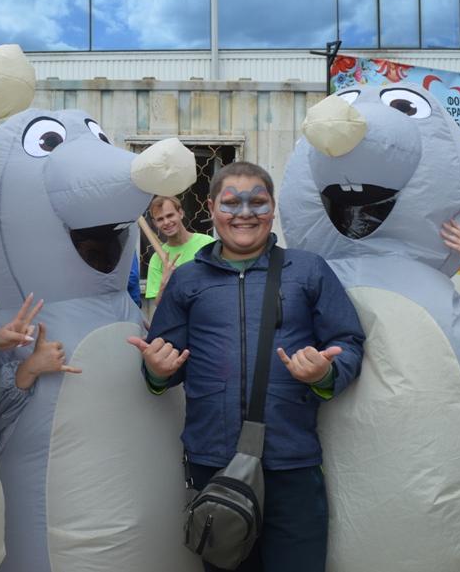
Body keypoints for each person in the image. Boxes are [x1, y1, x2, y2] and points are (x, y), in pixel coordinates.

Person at [127, 161, 365, 572]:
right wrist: (156, 371)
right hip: (213, 461)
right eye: (231, 202)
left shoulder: (308, 271)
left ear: (272, 208)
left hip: (292, 462)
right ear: (211, 207)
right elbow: (164, 362)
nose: (244, 213)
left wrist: (324, 374)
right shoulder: (187, 281)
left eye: (257, 202)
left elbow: (349, 342)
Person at [144, 195, 214, 302]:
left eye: (170, 215)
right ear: (155, 223)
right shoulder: (156, 259)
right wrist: (164, 282)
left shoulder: (207, 244)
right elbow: (158, 305)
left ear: (180, 213)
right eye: (160, 219)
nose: (166, 222)